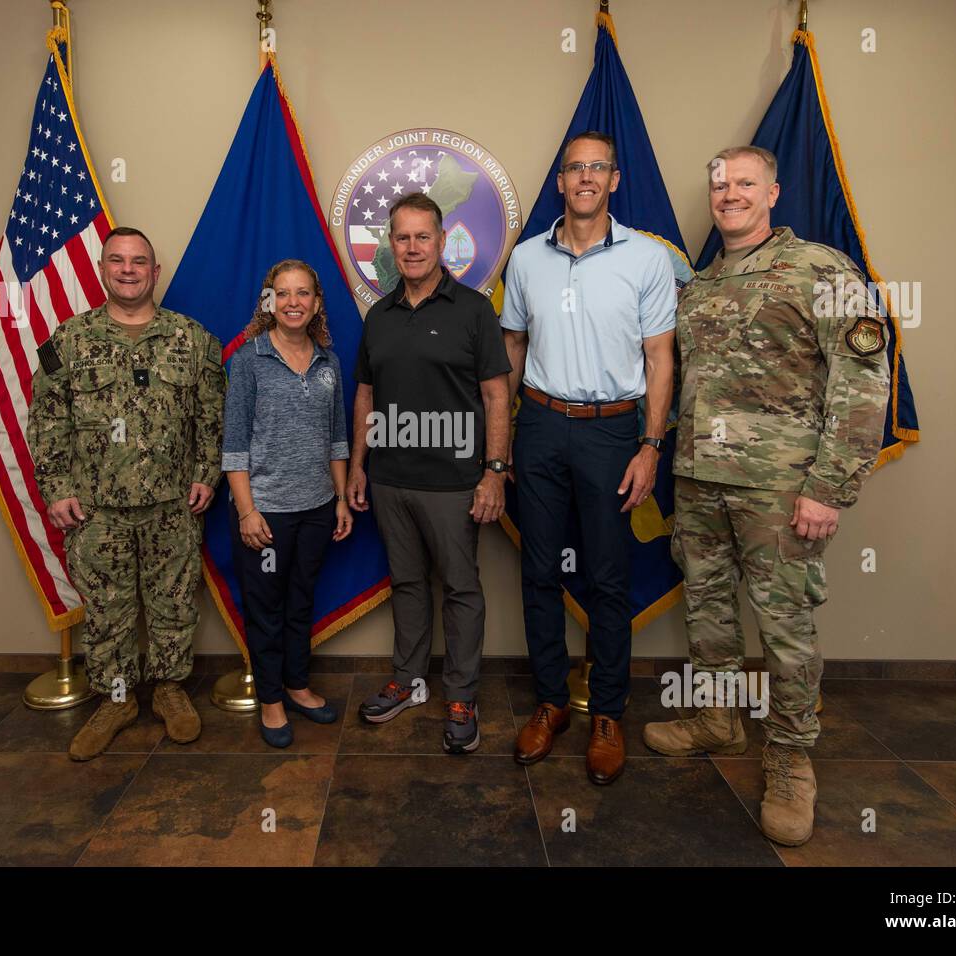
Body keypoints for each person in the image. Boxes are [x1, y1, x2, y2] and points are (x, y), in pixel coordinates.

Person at [642, 146, 891, 846]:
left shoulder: (823, 269)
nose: (729, 194)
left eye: (744, 183)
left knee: (786, 628)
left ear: (773, 192)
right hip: (699, 480)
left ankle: (789, 755)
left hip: (782, 487)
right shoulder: (699, 284)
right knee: (709, 608)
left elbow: (864, 381)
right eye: (718, 184)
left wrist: (829, 488)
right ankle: (718, 718)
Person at [501, 131, 677, 785]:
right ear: (561, 181)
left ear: (614, 179)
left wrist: (650, 446)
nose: (584, 177)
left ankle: (607, 713)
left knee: (607, 577)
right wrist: (504, 444)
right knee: (539, 572)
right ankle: (551, 703)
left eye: (597, 167)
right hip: (541, 425)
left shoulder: (648, 259)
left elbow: (661, 357)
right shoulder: (525, 260)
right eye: (574, 168)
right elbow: (513, 349)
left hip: (612, 433)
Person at [27, 226, 225, 761]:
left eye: (140, 261)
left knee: (175, 605)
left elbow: (212, 417)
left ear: (155, 272)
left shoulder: (193, 339)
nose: (129, 270)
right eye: (118, 261)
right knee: (107, 609)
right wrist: (56, 488)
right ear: (102, 269)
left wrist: (208, 473)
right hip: (96, 510)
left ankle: (169, 690)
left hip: (173, 505)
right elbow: (47, 421)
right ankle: (116, 700)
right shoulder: (67, 341)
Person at [347, 192, 511, 754]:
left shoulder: (473, 310)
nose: (413, 247)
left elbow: (496, 396)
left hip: (456, 481)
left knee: (461, 589)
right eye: (402, 237)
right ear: (390, 246)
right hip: (391, 478)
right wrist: (359, 467)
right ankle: (409, 681)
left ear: (442, 242)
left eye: (423, 236)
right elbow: (366, 394)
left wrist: (494, 473)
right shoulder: (378, 315)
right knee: (408, 585)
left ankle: (461, 695)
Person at [223, 259, 353, 748]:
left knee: (301, 603)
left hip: (317, 508)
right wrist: (247, 511)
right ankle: (272, 699)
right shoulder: (249, 360)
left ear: (317, 303)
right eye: (283, 293)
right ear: (269, 301)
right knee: (267, 611)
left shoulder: (328, 362)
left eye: (302, 293)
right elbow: (234, 445)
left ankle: (298, 685)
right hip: (267, 513)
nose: (293, 302)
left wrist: (340, 499)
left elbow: (336, 438)